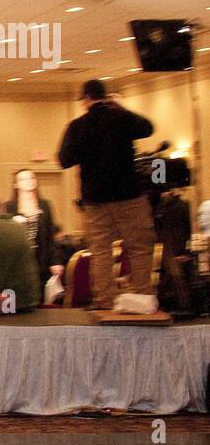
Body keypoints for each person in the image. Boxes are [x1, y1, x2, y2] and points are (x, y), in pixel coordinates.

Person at [58, 80, 156, 309]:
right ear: (107, 97)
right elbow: (148, 128)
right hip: (129, 195)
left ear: (86, 99)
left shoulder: (78, 125)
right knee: (139, 247)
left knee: (101, 251)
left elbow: (64, 160)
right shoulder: (122, 118)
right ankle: (142, 296)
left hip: (95, 200)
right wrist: (121, 108)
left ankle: (105, 299)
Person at [7, 170, 63, 289]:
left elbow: (51, 237)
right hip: (19, 259)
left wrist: (55, 261)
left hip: (41, 258)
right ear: (15, 184)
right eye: (24, 179)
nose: (29, 181)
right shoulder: (9, 207)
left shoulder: (45, 205)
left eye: (32, 178)